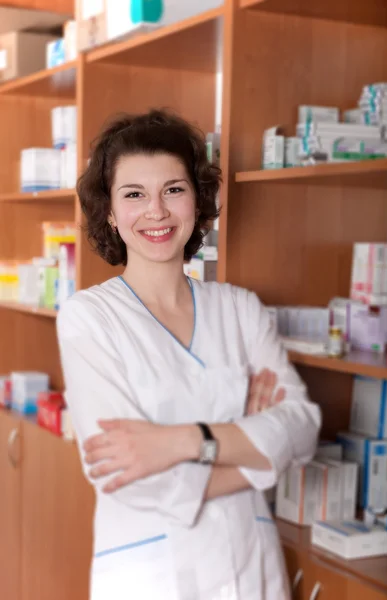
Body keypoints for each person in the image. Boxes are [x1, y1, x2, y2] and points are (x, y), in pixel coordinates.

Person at [56, 109, 321, 600]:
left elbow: (302, 427)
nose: (155, 211)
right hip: (151, 573)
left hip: (250, 564)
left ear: (197, 203)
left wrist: (180, 442)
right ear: (111, 212)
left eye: (173, 190)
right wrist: (257, 449)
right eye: (134, 194)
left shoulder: (240, 309)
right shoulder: (89, 318)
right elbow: (125, 478)